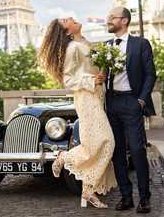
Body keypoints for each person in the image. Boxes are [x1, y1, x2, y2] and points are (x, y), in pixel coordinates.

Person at [39, 17, 117, 208]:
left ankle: (88, 191)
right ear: (67, 31)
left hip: (97, 97)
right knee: (107, 142)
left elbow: (93, 69)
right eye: (67, 20)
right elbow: (68, 80)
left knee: (95, 145)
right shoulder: (72, 47)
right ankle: (63, 157)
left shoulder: (86, 43)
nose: (72, 18)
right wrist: (92, 80)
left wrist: (102, 75)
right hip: (86, 98)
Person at [105, 6, 157, 214]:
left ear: (124, 21)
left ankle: (144, 198)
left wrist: (141, 100)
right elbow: (102, 74)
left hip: (132, 103)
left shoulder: (141, 44)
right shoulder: (106, 46)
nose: (108, 20)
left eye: (112, 18)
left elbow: (150, 74)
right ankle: (126, 197)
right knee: (117, 152)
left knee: (136, 150)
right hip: (112, 103)